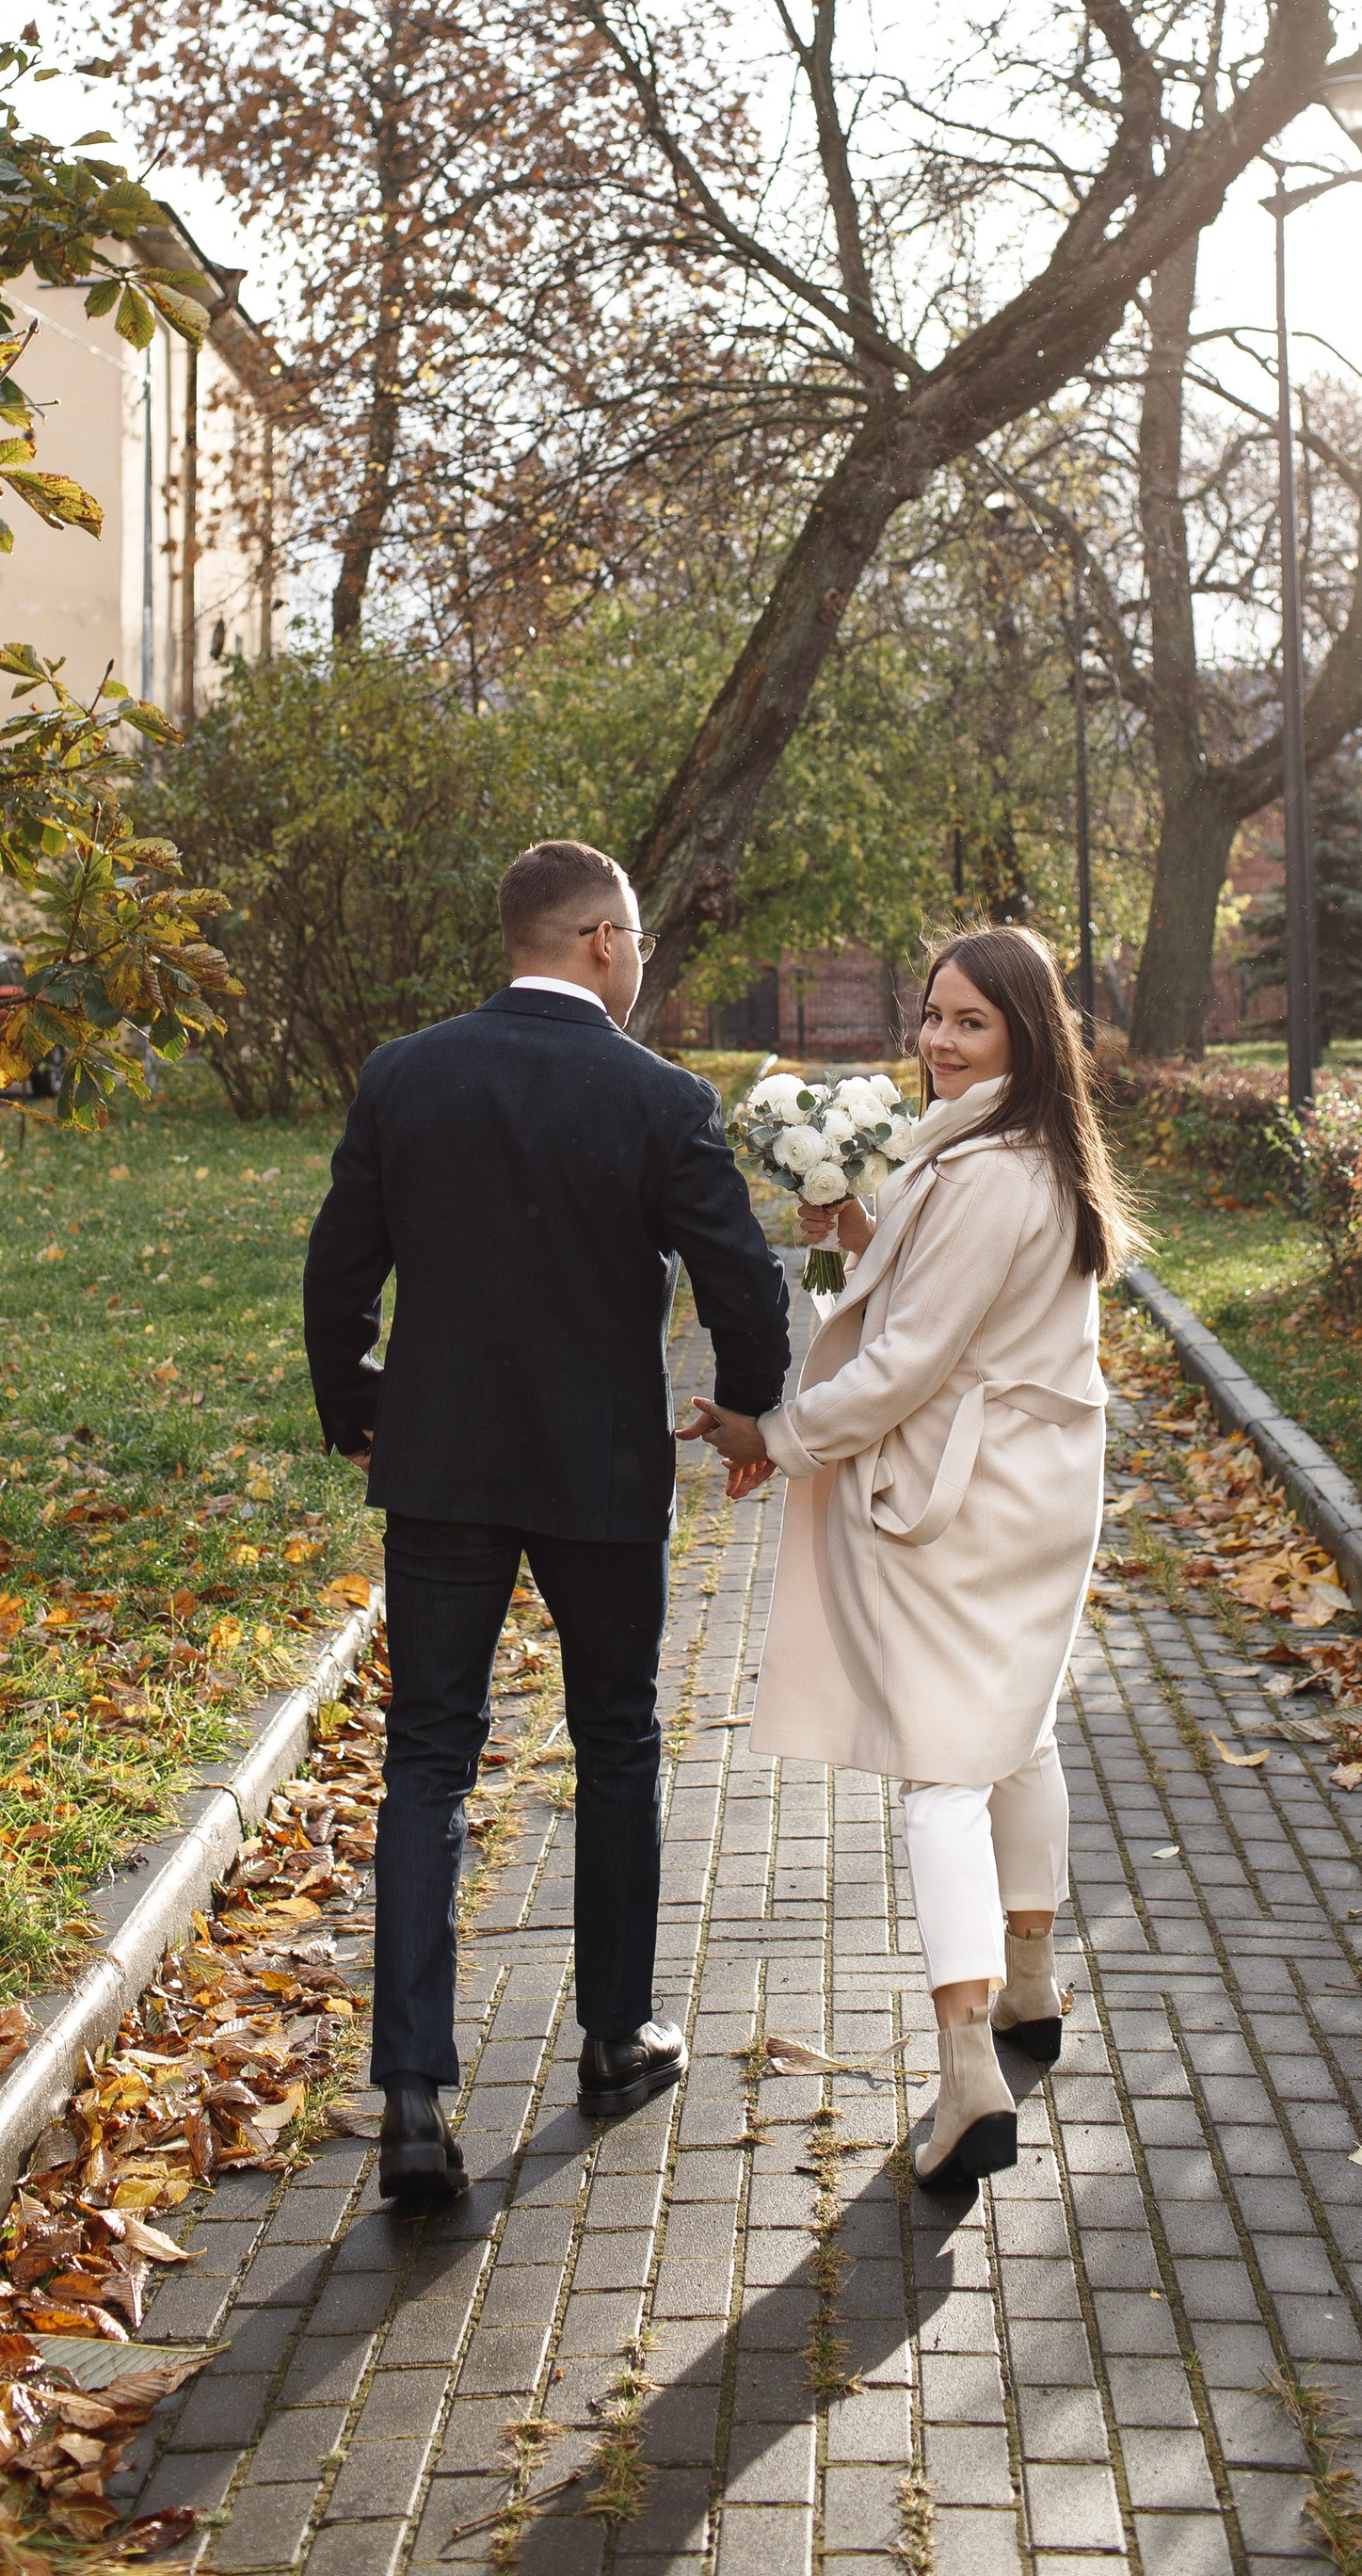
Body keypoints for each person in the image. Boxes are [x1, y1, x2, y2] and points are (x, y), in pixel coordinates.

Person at [305, 837, 793, 2213]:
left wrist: (356, 1409)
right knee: (619, 1739)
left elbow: (340, 1268)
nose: (638, 961)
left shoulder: (407, 1075)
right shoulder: (658, 1098)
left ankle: (412, 2091)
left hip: (442, 1463)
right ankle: (616, 2037)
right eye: (632, 940)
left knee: (429, 1761)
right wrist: (751, 1414)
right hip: (597, 1473)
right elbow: (743, 1281)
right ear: (597, 941)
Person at [681, 926, 1130, 2192]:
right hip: (1034, 1487)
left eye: (969, 1022)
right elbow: (932, 1292)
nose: (939, 1041)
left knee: (939, 1775)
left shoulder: (994, 1167)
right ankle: (1030, 1989)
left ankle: (967, 2073)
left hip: (966, 1496)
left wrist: (774, 1432)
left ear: (1024, 1035)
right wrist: (847, 1227)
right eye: (931, 1014)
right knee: (1018, 1730)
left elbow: (906, 1363)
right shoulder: (1016, 1147)